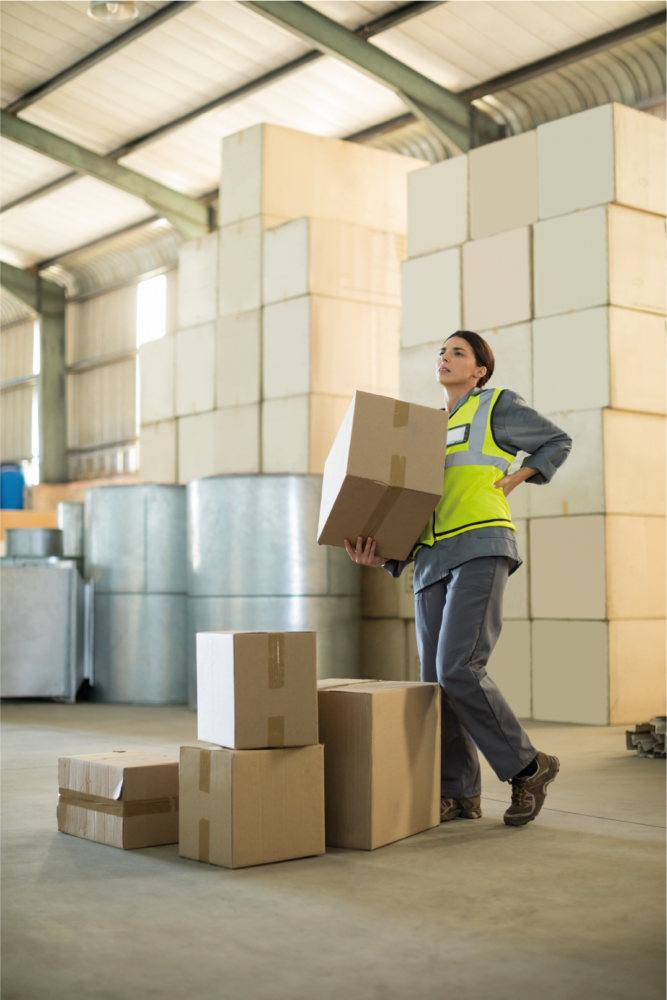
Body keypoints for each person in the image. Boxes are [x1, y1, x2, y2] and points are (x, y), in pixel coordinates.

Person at [344, 331, 572, 828]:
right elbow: (411, 506)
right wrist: (382, 555)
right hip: (428, 561)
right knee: (436, 685)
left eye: (458, 353)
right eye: (442, 352)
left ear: (480, 370)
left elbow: (557, 439)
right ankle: (459, 793)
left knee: (458, 666)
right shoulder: (424, 430)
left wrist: (518, 477)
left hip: (479, 544)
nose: (445, 358)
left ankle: (529, 767)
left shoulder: (494, 406)